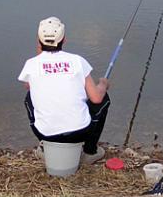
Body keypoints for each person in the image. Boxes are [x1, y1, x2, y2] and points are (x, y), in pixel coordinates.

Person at [18, 16, 110, 165]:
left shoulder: (31, 64)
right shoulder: (77, 61)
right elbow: (96, 99)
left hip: (46, 134)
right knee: (103, 98)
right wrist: (103, 84)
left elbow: (29, 86)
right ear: (64, 39)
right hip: (79, 133)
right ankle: (89, 151)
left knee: (29, 97)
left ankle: (46, 148)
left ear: (39, 41)